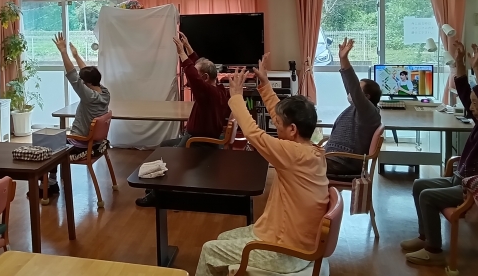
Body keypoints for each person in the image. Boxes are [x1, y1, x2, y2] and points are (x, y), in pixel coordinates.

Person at [196, 57, 329, 276]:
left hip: (285, 252)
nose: (276, 125)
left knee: (209, 250)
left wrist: (236, 97)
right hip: (288, 238)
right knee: (222, 239)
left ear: (292, 129)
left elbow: (253, 134)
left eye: (279, 124)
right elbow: (279, 115)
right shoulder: (311, 150)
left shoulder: (292, 154)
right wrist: (265, 85)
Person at [400, 41, 478, 266]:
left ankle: (434, 251)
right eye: (472, 103)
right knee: (419, 185)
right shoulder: (476, 118)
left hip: (470, 189)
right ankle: (425, 237)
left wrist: (476, 68)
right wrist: (460, 62)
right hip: (459, 179)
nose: (471, 107)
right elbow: (463, 89)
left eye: (475, 104)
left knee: (427, 196)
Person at [136, 32, 230, 207]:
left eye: (197, 75)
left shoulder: (208, 93)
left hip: (198, 141)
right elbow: (197, 70)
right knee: (165, 145)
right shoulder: (218, 88)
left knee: (169, 157)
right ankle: (157, 188)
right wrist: (188, 48)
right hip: (196, 137)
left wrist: (181, 53)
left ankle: (158, 195)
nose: (190, 80)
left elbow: (194, 76)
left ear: (204, 78)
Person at [34, 33, 110, 197]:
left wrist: (63, 52)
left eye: (83, 82)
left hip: (81, 144)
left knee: (47, 143)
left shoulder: (88, 96)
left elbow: (73, 75)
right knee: (52, 138)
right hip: (96, 142)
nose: (81, 83)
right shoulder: (104, 92)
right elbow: (86, 74)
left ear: (87, 84)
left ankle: (49, 184)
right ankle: (51, 182)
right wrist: (76, 56)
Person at [324, 38, 382, 176]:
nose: (352, 92)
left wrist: (345, 59)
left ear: (366, 97)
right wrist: (342, 59)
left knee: (295, 165)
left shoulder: (368, 113)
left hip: (342, 163)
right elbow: (350, 86)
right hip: (335, 158)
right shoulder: (360, 109)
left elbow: (353, 86)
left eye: (358, 91)